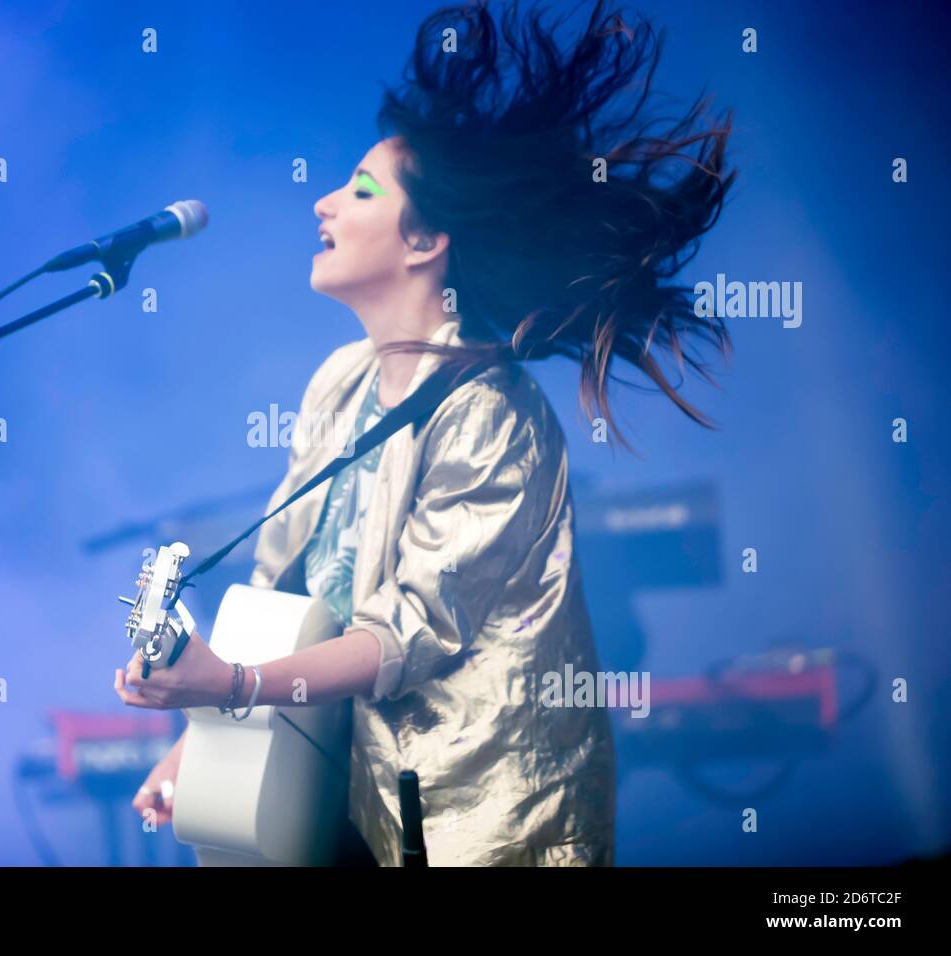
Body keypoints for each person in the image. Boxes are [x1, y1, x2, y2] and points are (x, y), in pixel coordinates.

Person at [115, 0, 734, 866]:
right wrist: (206, 732)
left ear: (429, 240)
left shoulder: (489, 413)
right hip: (357, 801)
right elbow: (283, 587)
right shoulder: (338, 383)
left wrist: (237, 684)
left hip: (479, 822)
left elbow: (405, 634)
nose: (325, 202)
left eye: (361, 189)